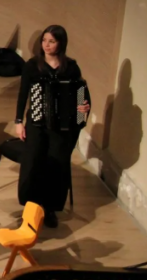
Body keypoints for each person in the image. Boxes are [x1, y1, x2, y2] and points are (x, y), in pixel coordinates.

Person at [14, 25, 91, 228]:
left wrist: (83, 106)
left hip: (61, 128)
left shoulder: (71, 67)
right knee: (33, 163)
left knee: (56, 165)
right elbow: (23, 95)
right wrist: (19, 122)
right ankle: (31, 207)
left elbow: (81, 91)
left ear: (60, 44)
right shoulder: (32, 66)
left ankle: (50, 209)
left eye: (51, 41)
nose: (46, 45)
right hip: (37, 124)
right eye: (44, 40)